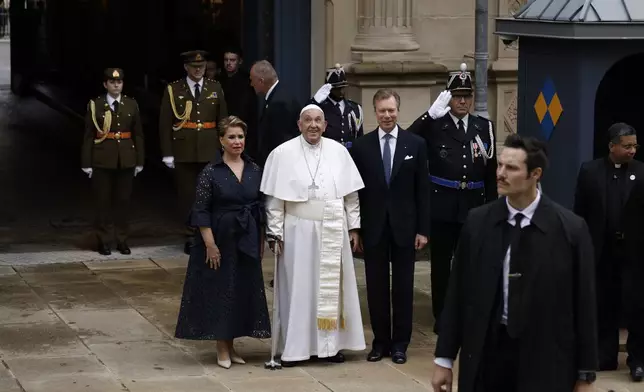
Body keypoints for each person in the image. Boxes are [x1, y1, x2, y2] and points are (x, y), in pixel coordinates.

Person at [432, 134, 598, 392]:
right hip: (488, 355)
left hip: (545, 360)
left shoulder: (571, 230)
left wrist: (585, 375)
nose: (500, 173)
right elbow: (457, 294)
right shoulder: (477, 223)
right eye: (499, 165)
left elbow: (585, 305)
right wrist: (444, 359)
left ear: (536, 174)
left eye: (511, 168)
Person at [260, 104, 366, 366]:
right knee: (299, 289)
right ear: (299, 124)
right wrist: (275, 234)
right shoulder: (282, 154)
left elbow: (351, 197)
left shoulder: (339, 152)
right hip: (297, 231)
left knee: (331, 292)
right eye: (308, 120)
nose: (313, 125)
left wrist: (353, 227)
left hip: (332, 228)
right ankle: (296, 349)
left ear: (325, 125)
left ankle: (330, 347)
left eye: (318, 120)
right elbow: (274, 201)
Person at [175, 116, 270, 369]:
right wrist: (210, 245)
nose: (237, 142)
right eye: (231, 137)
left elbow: (261, 209)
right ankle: (221, 347)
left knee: (240, 291)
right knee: (221, 292)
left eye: (240, 137)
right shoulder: (210, 172)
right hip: (219, 240)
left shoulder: (255, 169)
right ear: (221, 140)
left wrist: (260, 242)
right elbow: (201, 211)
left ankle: (232, 344)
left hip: (247, 239)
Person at [407, 63, 497, 332]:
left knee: (470, 263)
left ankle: (468, 313)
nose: (462, 101)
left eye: (466, 96)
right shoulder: (436, 126)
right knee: (441, 266)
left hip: (473, 204)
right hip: (442, 204)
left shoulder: (484, 127)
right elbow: (407, 142)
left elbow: (490, 172)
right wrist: (428, 117)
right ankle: (443, 315)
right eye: (457, 96)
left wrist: (492, 208)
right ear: (448, 98)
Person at [349, 89, 430, 364]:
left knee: (404, 288)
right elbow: (355, 193)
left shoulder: (415, 144)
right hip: (373, 228)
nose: (387, 115)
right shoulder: (361, 147)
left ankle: (400, 344)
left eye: (391, 110)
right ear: (375, 112)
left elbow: (423, 191)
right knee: (376, 288)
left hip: (406, 228)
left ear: (398, 110)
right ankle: (380, 342)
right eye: (382, 111)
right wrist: (355, 229)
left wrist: (423, 229)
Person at [573, 122, 644, 381]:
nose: (632, 151)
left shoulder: (642, 172)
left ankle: (638, 360)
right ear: (612, 146)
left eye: (634, 145)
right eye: (627, 146)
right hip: (601, 252)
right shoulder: (590, 171)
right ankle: (604, 356)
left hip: (634, 254)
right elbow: (579, 213)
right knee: (603, 305)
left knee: (636, 306)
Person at [159, 50, 228, 255]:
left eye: (202, 67)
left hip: (209, 150)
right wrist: (167, 152)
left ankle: (208, 234)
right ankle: (191, 235)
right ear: (186, 68)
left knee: (210, 195)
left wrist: (224, 148)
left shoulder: (215, 88)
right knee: (188, 196)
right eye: (194, 67)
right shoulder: (173, 89)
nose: (198, 70)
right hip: (184, 150)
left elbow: (222, 121)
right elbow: (165, 123)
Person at [81, 68, 144, 256]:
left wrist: (139, 160)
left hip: (126, 159)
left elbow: (138, 134)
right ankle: (104, 240)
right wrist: (86, 162)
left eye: (119, 82)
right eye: (112, 82)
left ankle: (122, 240)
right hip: (102, 159)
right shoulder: (96, 105)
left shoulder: (131, 104)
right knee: (103, 202)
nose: (116, 85)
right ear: (105, 84)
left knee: (123, 201)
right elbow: (88, 135)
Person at [249, 60, 300, 167]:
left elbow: (280, 140)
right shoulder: (279, 94)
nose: (251, 84)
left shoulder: (279, 102)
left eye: (252, 80)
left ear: (261, 81)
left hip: (280, 164)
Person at [218, 46, 258, 159]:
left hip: (242, 129)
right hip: (223, 129)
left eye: (232, 60)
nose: (229, 63)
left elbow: (251, 110)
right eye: (226, 60)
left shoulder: (247, 82)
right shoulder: (218, 81)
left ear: (239, 61)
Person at [309, 63, 364, 147]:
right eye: (337, 89)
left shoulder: (355, 108)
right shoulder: (321, 108)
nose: (341, 91)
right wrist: (314, 102)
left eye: (343, 88)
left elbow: (359, 137)